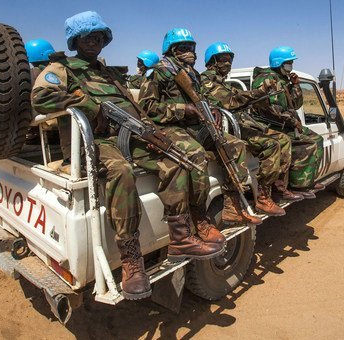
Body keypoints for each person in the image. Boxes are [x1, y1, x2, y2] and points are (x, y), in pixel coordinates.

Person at [31, 11, 225, 300]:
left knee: (175, 161)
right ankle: (132, 261)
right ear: (75, 41)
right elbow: (40, 97)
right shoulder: (63, 68)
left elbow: (136, 108)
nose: (94, 42)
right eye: (88, 37)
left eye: (99, 37)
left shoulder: (109, 73)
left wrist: (150, 129)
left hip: (132, 134)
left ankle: (181, 237)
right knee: (121, 172)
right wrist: (87, 105)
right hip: (93, 141)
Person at [139, 28, 263, 226]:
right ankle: (198, 217)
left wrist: (211, 109)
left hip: (196, 126)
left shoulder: (193, 74)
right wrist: (183, 109)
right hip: (171, 127)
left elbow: (201, 99)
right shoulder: (158, 72)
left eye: (192, 47)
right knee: (197, 155)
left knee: (235, 145)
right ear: (172, 50)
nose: (190, 52)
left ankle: (232, 206)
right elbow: (147, 107)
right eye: (184, 48)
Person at [200, 42, 302, 215]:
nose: (228, 63)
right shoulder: (206, 81)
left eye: (229, 59)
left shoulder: (222, 82)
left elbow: (237, 97)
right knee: (272, 145)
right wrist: (259, 92)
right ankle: (263, 198)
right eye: (223, 59)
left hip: (238, 124)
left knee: (283, 139)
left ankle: (278, 189)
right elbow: (231, 101)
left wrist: (261, 94)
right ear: (212, 61)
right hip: (223, 130)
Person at [250, 46, 324, 198]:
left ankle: (307, 180)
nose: (291, 66)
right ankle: (296, 185)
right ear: (279, 63)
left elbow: (296, 105)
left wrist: (295, 85)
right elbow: (270, 108)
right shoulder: (266, 79)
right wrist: (292, 121)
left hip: (285, 124)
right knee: (306, 144)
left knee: (318, 139)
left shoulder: (283, 80)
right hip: (272, 126)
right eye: (288, 63)